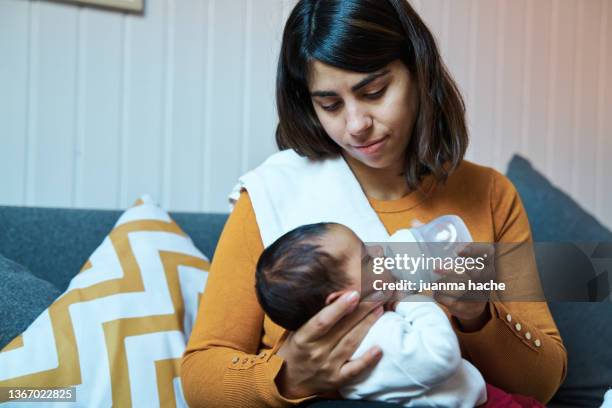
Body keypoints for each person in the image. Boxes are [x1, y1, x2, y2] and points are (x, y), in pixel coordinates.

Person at [181, 0, 567, 407]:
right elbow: (199, 378)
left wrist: (479, 316)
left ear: (419, 73)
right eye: (329, 104)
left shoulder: (489, 195)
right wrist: (289, 375)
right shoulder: (272, 193)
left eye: (374, 91)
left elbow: (543, 383)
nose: (356, 124)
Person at [255, 221, 488, 408]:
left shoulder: (344, 346)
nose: (379, 249)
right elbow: (442, 355)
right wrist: (413, 300)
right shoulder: (378, 338)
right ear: (343, 301)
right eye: (367, 257)